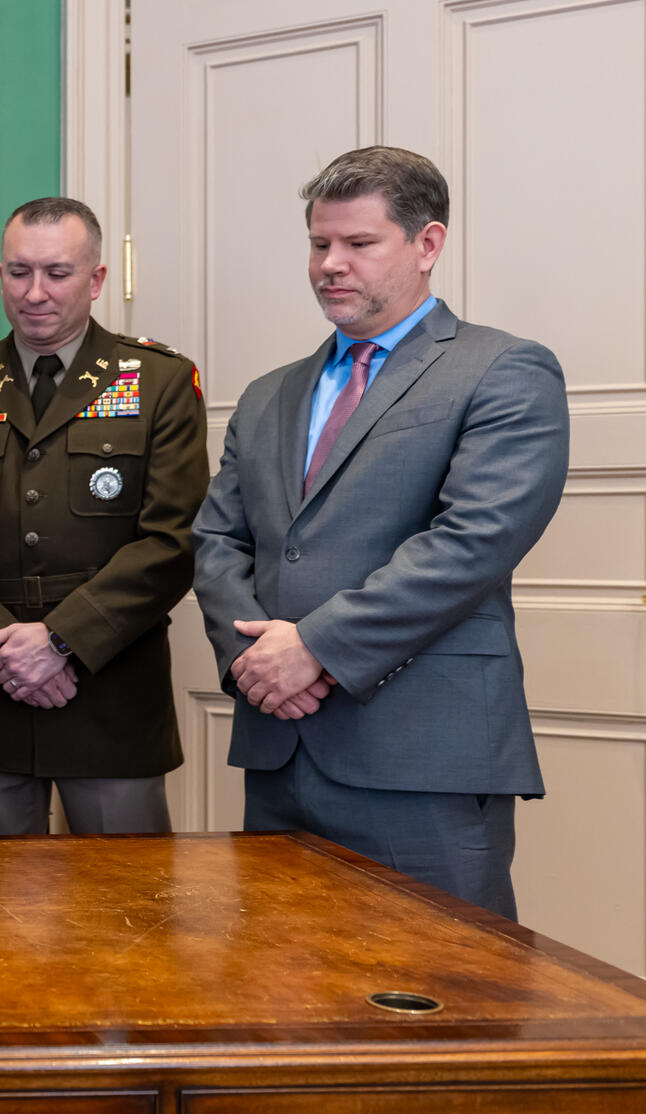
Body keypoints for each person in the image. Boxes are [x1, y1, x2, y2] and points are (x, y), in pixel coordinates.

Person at [191, 147, 569, 920]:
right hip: (279, 748)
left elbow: (473, 541)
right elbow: (218, 541)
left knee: (449, 994)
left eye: (358, 245)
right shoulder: (268, 395)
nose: (331, 265)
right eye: (318, 243)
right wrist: (254, 663)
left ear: (427, 245)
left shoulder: (503, 371)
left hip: (422, 757)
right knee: (281, 997)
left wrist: (316, 648)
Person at [0, 197, 209, 836]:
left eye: (57, 273)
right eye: (19, 272)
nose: (34, 293)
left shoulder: (159, 382)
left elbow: (172, 540)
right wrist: (8, 652)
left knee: (128, 919)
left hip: (112, 701)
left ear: (96, 281)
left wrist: (60, 642)